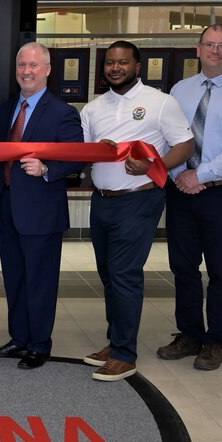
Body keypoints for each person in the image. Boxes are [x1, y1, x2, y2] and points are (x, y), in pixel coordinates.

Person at [81, 41, 194, 382]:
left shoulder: (161, 103)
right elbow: (86, 155)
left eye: (123, 62)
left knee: (124, 274)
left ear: (138, 66)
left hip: (139, 200)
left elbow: (185, 145)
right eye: (110, 63)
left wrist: (151, 165)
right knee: (107, 274)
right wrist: (98, 152)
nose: (116, 68)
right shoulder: (93, 108)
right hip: (101, 200)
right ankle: (115, 344)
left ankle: (125, 355)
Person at [157, 25, 222, 371]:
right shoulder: (179, 90)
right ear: (197, 49)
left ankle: (214, 340)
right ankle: (189, 334)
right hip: (180, 192)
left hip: (220, 193)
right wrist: (177, 175)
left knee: (220, 270)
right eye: (209, 44)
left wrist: (199, 175)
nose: (215, 50)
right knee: (183, 268)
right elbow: (168, 137)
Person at [0, 42, 83, 371]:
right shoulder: (7, 107)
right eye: (22, 65)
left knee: (40, 280)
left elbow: (76, 158)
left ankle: (39, 344)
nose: (26, 71)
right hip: (9, 206)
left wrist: (47, 170)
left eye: (34, 66)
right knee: (14, 277)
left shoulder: (63, 112)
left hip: (41, 211)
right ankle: (19, 339)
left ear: (48, 70)